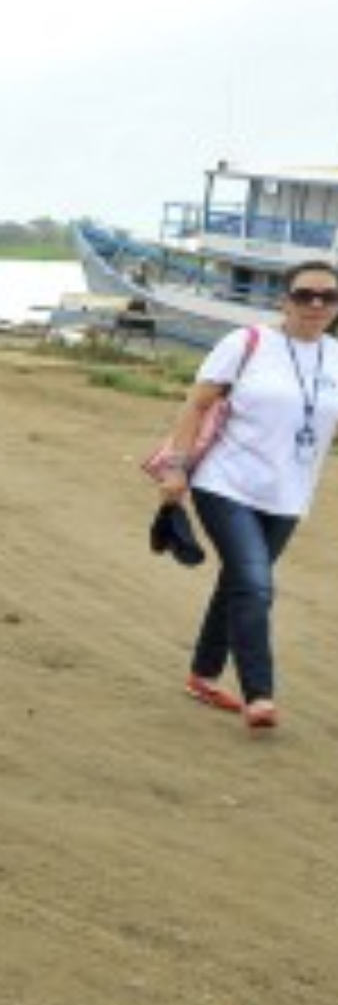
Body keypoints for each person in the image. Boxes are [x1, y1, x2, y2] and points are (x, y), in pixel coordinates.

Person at [154, 261, 338, 732]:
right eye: (305, 295)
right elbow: (197, 404)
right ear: (284, 300)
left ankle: (202, 674)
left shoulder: (335, 357)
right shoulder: (247, 344)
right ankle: (260, 694)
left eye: (328, 297)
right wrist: (175, 468)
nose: (316, 304)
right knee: (255, 585)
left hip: (289, 495)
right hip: (226, 483)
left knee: (238, 580)